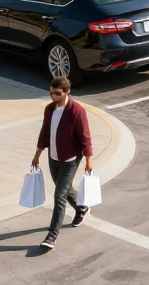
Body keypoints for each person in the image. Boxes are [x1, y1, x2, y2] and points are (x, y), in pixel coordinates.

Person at [31, 75, 94, 250]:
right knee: (65, 190)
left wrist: (89, 159)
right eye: (51, 93)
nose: (53, 96)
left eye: (57, 93)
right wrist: (37, 154)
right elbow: (45, 132)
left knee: (59, 196)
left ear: (67, 92)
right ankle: (81, 208)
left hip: (70, 160)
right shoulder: (50, 109)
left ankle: (52, 236)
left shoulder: (76, 111)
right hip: (53, 158)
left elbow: (85, 137)